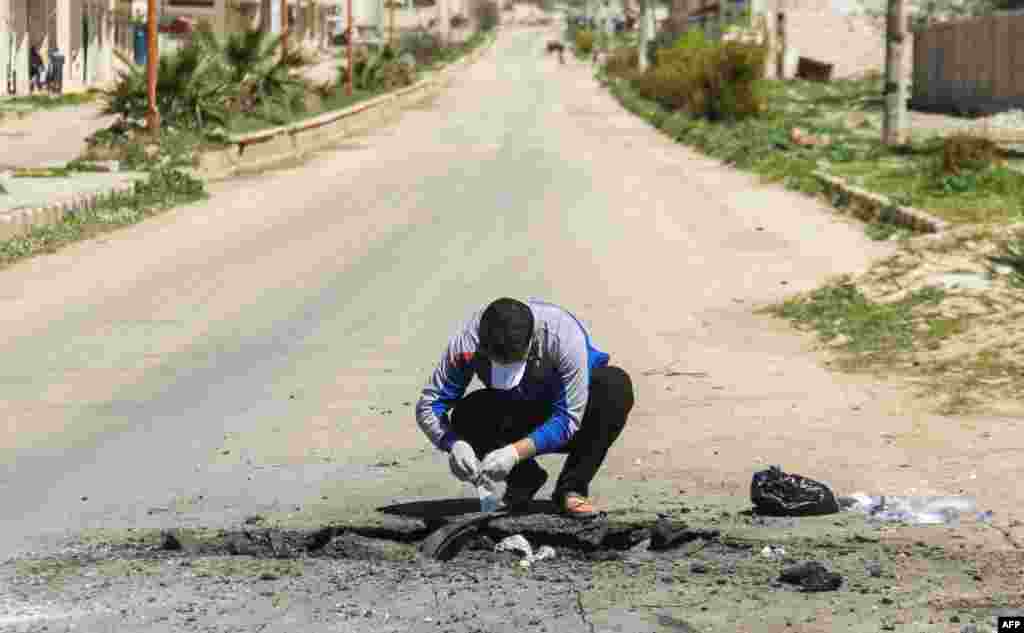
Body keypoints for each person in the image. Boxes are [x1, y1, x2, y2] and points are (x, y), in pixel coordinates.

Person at [416, 298, 634, 518]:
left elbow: (568, 419)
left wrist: (514, 453)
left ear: (531, 343)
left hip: (571, 413)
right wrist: (454, 444)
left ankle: (572, 488)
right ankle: (524, 481)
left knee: (614, 386)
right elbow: (430, 405)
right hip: (517, 407)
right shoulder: (467, 344)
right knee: (467, 413)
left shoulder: (563, 335)